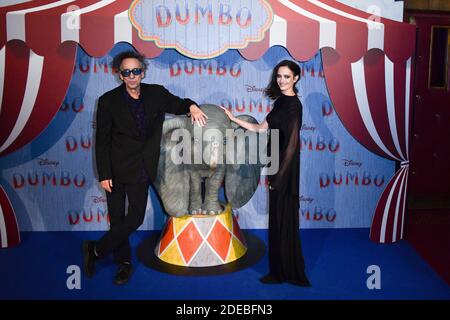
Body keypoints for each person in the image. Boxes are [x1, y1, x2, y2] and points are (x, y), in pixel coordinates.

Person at [83, 50, 207, 285]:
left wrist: (191, 106)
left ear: (143, 72)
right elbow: (102, 141)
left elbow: (178, 104)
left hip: (142, 168)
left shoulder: (156, 93)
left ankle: (95, 250)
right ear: (120, 75)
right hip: (115, 168)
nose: (132, 76)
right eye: (126, 72)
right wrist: (104, 173)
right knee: (117, 219)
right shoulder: (108, 101)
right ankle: (124, 263)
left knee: (135, 218)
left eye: (136, 71)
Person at [222, 60, 311, 286]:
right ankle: (280, 270)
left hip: (285, 169)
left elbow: (291, 145)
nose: (282, 80)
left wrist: (279, 177)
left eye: (287, 77)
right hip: (276, 166)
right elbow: (261, 128)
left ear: (296, 78)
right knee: (279, 219)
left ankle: (285, 272)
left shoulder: (294, 106)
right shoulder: (281, 101)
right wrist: (233, 119)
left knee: (283, 218)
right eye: (279, 76)